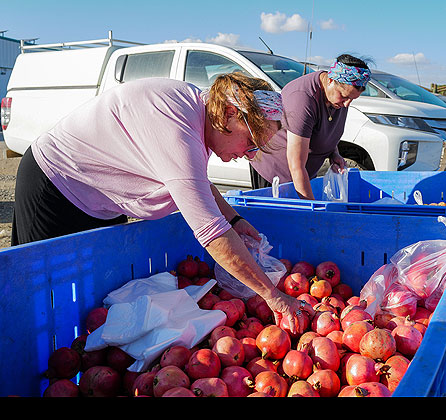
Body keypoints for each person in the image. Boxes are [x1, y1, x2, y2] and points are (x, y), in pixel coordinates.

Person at [11, 73, 311, 334]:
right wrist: (272, 295)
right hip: (54, 184)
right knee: (42, 297)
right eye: (252, 143)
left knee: (93, 302)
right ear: (231, 113)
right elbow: (211, 233)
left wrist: (235, 219)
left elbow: (197, 184)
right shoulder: (177, 125)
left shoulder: (200, 115)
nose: (249, 155)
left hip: (101, 198)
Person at [249, 54, 371, 200]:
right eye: (344, 97)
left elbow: (325, 130)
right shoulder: (302, 98)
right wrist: (311, 209)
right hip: (276, 173)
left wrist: (334, 153)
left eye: (352, 99)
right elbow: (296, 164)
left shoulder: (336, 98)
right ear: (331, 80)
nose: (346, 104)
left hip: (303, 174)